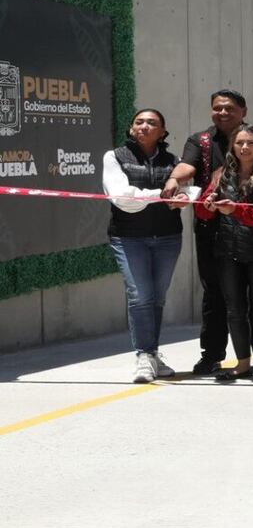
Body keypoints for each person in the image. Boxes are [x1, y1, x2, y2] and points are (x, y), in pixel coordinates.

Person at [163, 89, 253, 375]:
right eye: (217, 108)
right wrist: (198, 199)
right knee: (224, 302)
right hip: (222, 243)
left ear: (244, 112)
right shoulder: (206, 149)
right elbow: (190, 177)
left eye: (230, 108)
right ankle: (223, 358)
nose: (244, 147)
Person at [103, 109, 190, 383]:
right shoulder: (115, 157)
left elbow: (187, 192)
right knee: (140, 296)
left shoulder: (174, 161)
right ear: (131, 128)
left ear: (162, 132)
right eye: (139, 122)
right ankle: (144, 355)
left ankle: (152, 354)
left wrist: (182, 198)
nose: (144, 126)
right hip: (128, 237)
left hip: (168, 237)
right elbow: (122, 198)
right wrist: (162, 195)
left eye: (152, 123)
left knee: (157, 297)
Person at [194, 125, 253, 382]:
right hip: (228, 249)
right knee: (234, 309)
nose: (245, 147)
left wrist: (236, 210)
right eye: (240, 143)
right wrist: (208, 205)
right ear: (232, 146)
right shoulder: (221, 174)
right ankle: (242, 363)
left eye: (251, 143)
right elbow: (202, 213)